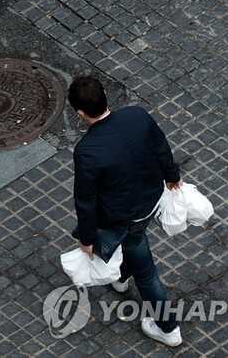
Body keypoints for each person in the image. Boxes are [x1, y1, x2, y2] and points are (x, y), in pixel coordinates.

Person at [68, 75, 183, 347]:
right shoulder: (137, 115)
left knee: (146, 274)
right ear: (106, 93)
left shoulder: (86, 150)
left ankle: (168, 328)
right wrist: (172, 175)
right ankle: (120, 278)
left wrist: (87, 238)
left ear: (80, 113)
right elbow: (160, 146)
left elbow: (86, 199)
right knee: (134, 244)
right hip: (152, 199)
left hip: (126, 217)